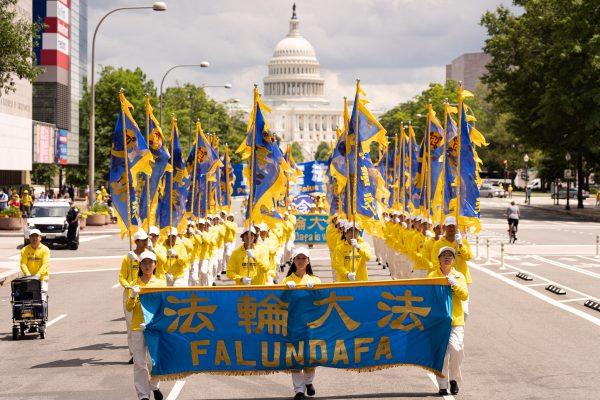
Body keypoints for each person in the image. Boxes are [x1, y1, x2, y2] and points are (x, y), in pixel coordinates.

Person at [429, 246, 468, 396]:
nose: (447, 257)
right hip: (438, 321)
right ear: (439, 258)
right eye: (444, 255)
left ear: (453, 259)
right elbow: (428, 297)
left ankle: (454, 379)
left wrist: (454, 284)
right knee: (442, 353)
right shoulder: (432, 276)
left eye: (450, 255)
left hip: (455, 319)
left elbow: (465, 295)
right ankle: (443, 384)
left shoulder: (459, 276)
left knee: (456, 349)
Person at [281, 247, 320, 399]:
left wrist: (315, 290)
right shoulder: (287, 280)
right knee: (295, 357)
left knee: (310, 356)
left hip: (311, 324)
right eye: (298, 258)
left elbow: (321, 301)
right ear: (293, 261)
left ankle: (308, 382)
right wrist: (286, 290)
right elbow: (282, 301)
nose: (301, 261)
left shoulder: (315, 280)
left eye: (304, 258)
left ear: (308, 261)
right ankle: (298, 390)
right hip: (293, 323)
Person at [125, 250, 165, 400]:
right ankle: (143, 395)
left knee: (154, 361)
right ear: (140, 266)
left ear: (155, 265)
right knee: (139, 363)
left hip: (154, 327)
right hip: (137, 327)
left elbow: (165, 306)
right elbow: (129, 308)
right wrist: (134, 295)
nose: (147, 266)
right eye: (144, 263)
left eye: (150, 262)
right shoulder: (134, 284)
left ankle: (154, 385)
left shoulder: (160, 283)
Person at [118, 230, 149, 364]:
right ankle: (134, 353)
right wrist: (129, 286)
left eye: (146, 239)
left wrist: (137, 260)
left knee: (147, 323)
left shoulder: (149, 256)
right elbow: (121, 277)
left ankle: (148, 351)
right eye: (142, 240)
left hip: (146, 292)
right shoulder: (127, 258)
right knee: (131, 325)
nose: (145, 242)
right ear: (136, 242)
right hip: (131, 294)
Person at [20, 229, 50, 301]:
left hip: (42, 278)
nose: (34, 238)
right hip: (28, 278)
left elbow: (45, 264)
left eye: (36, 236)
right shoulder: (25, 250)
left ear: (40, 238)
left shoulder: (45, 249)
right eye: (32, 236)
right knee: (28, 300)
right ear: (29, 238)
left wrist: (38, 275)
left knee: (42, 298)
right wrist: (28, 275)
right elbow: (23, 264)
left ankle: (42, 311)